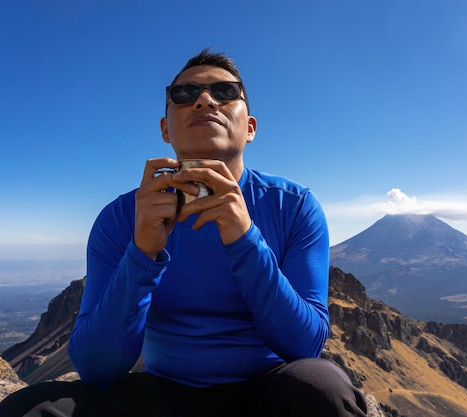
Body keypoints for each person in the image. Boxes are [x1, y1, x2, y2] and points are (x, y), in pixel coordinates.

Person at [0, 48, 368, 417]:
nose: (205, 100)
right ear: (164, 129)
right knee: (29, 407)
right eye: (184, 94)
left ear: (250, 127)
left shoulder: (294, 206)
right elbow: (97, 368)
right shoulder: (121, 218)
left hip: (268, 391)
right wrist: (142, 253)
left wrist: (245, 240)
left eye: (225, 92)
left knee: (325, 389)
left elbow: (305, 347)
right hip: (163, 396)